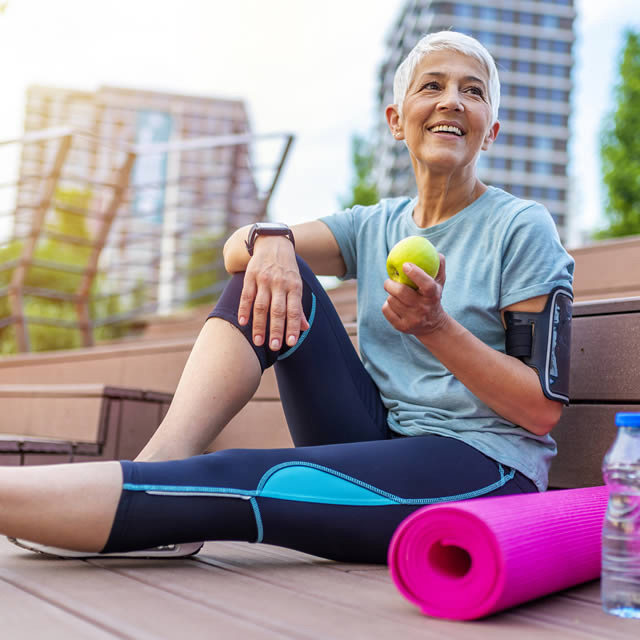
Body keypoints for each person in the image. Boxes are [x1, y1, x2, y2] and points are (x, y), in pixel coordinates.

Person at [4, 31, 574, 564]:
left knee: (243, 474)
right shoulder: (374, 224)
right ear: (397, 122)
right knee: (269, 269)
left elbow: (539, 407)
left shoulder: (520, 227)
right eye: (434, 85)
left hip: (482, 469)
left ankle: (134, 499)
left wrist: (435, 328)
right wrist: (271, 241)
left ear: (490, 129)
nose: (452, 101)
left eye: (472, 92)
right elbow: (236, 251)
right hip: (376, 437)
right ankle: (161, 464)